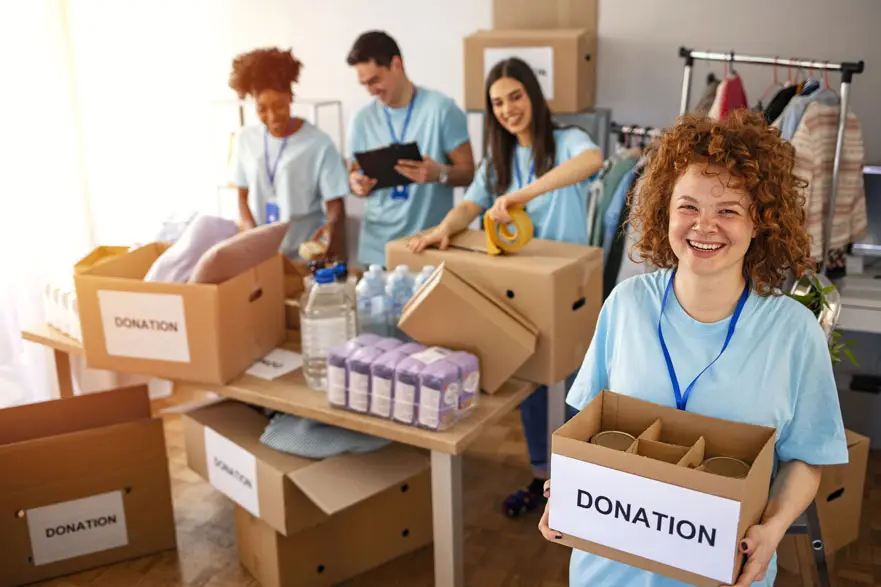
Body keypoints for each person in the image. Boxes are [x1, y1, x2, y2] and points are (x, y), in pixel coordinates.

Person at [538, 110, 849, 587]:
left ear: (760, 223)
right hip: (608, 571)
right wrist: (564, 493)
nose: (704, 226)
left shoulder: (792, 333)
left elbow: (806, 460)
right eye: (688, 207)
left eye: (728, 210)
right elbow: (586, 432)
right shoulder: (625, 306)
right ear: (664, 210)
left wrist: (774, 528)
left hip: (722, 573)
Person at [408, 57, 604, 518]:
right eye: (497, 102)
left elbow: (593, 160)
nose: (508, 109)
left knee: (576, 388)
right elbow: (470, 204)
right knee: (533, 387)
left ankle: (584, 490)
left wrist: (523, 194)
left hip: (567, 289)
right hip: (518, 288)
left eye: (516, 96)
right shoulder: (496, 158)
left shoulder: (567, 140)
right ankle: (544, 480)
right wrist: (444, 228)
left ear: (533, 95)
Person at [346, 31, 475, 267]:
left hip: (427, 247)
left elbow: (469, 173)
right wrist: (356, 183)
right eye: (364, 84)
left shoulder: (441, 110)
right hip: (376, 251)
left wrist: (440, 174)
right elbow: (352, 174)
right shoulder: (361, 120)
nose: (370, 91)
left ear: (396, 65)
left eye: (374, 80)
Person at [229, 47, 348, 262]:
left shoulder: (319, 143)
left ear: (291, 97)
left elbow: (335, 205)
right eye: (262, 109)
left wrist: (329, 230)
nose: (273, 116)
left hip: (304, 255)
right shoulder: (245, 140)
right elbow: (241, 196)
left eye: (279, 106)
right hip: (262, 255)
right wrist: (252, 236)